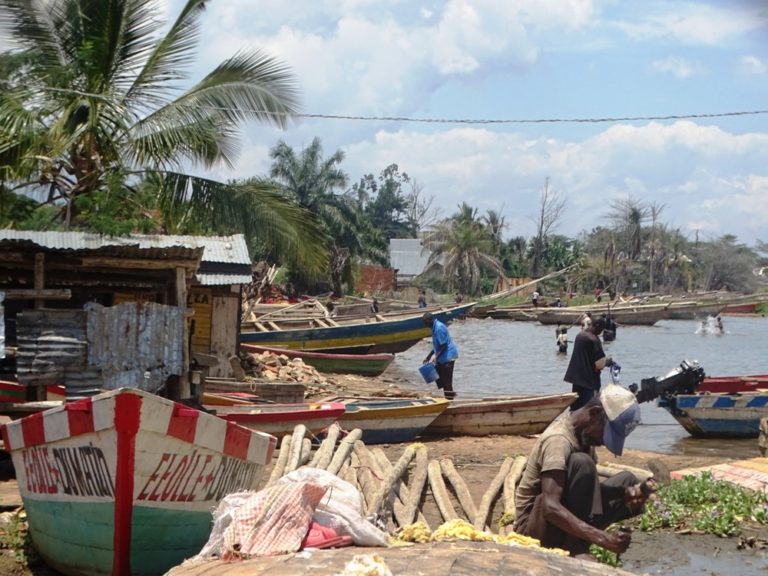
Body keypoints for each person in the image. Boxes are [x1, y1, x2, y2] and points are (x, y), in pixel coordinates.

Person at [513, 384, 650, 558]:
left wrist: (624, 494)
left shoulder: (585, 438)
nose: (602, 442)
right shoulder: (558, 441)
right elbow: (549, 506)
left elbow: (584, 493)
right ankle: (575, 548)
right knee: (582, 464)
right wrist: (603, 539)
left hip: (560, 519)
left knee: (627, 480)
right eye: (604, 434)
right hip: (535, 529)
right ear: (593, 413)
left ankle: (576, 543)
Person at [564, 316, 613, 411]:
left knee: (576, 407)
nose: (601, 332)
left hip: (576, 379)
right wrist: (608, 362)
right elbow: (600, 363)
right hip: (589, 381)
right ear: (598, 326)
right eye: (602, 329)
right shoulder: (594, 340)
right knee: (589, 409)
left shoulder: (580, 336)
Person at [422, 312, 459, 399]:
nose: (424, 324)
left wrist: (436, 357)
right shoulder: (434, 327)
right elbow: (437, 345)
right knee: (440, 379)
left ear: (429, 320)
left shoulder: (438, 328)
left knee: (446, 381)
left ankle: (449, 400)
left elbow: (444, 345)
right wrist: (429, 356)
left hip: (448, 357)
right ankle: (450, 395)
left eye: (425, 322)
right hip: (443, 356)